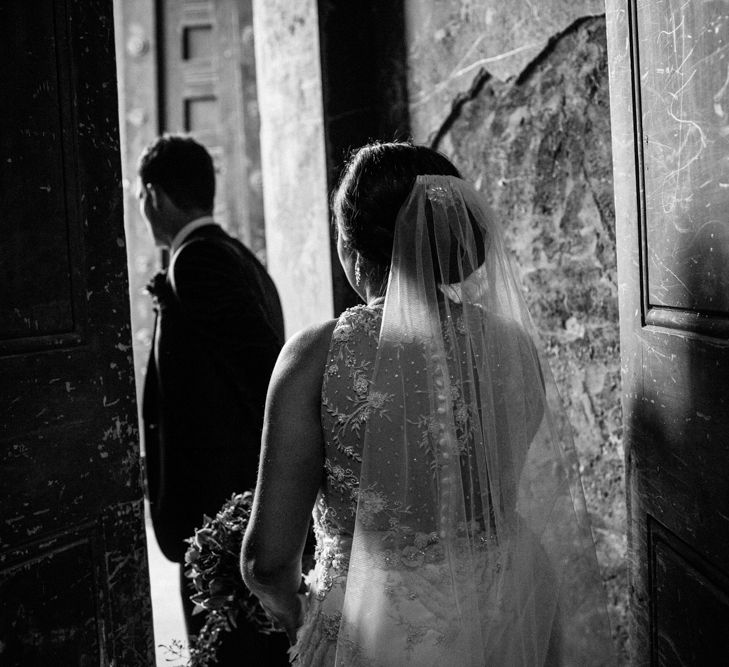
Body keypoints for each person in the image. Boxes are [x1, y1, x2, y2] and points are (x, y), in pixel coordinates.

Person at [241, 141, 615, 665]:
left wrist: (291, 608)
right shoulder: (512, 346)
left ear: (350, 249)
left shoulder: (317, 358)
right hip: (512, 605)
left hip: (380, 627)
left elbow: (267, 561)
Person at [138, 134, 289, 665]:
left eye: (141, 199)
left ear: (153, 196)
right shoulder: (237, 255)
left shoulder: (198, 262)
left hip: (223, 520)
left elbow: (263, 375)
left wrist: (256, 508)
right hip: (233, 513)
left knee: (235, 654)